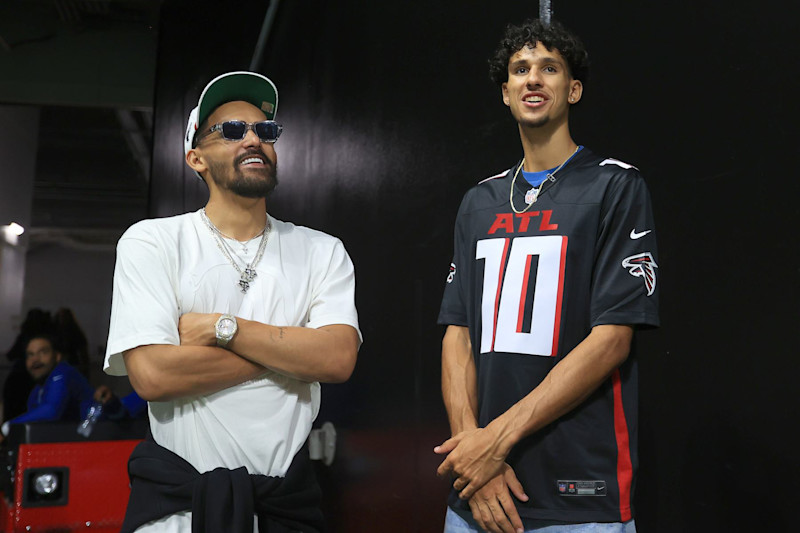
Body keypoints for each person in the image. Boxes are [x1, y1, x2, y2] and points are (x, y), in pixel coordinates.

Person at [104, 71, 361, 532]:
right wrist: (294, 355)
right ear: (195, 157)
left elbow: (338, 359)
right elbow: (153, 375)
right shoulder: (154, 242)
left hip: (286, 508)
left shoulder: (323, 251)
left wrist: (227, 330)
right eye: (230, 130)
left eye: (264, 130)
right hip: (179, 512)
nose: (252, 139)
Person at [434, 19, 659, 533]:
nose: (533, 79)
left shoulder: (615, 186)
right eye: (520, 70)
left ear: (572, 89)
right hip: (478, 494)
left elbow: (611, 341)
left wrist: (495, 441)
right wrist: (473, 454)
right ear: (506, 94)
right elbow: (458, 333)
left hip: (577, 492)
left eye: (549, 68)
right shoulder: (478, 201)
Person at [1, 333, 94, 438]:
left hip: (96, 440)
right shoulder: (37, 391)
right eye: (30, 354)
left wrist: (7, 427)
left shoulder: (63, 372)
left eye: (43, 352)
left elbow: (51, 410)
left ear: (57, 356)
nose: (35, 359)